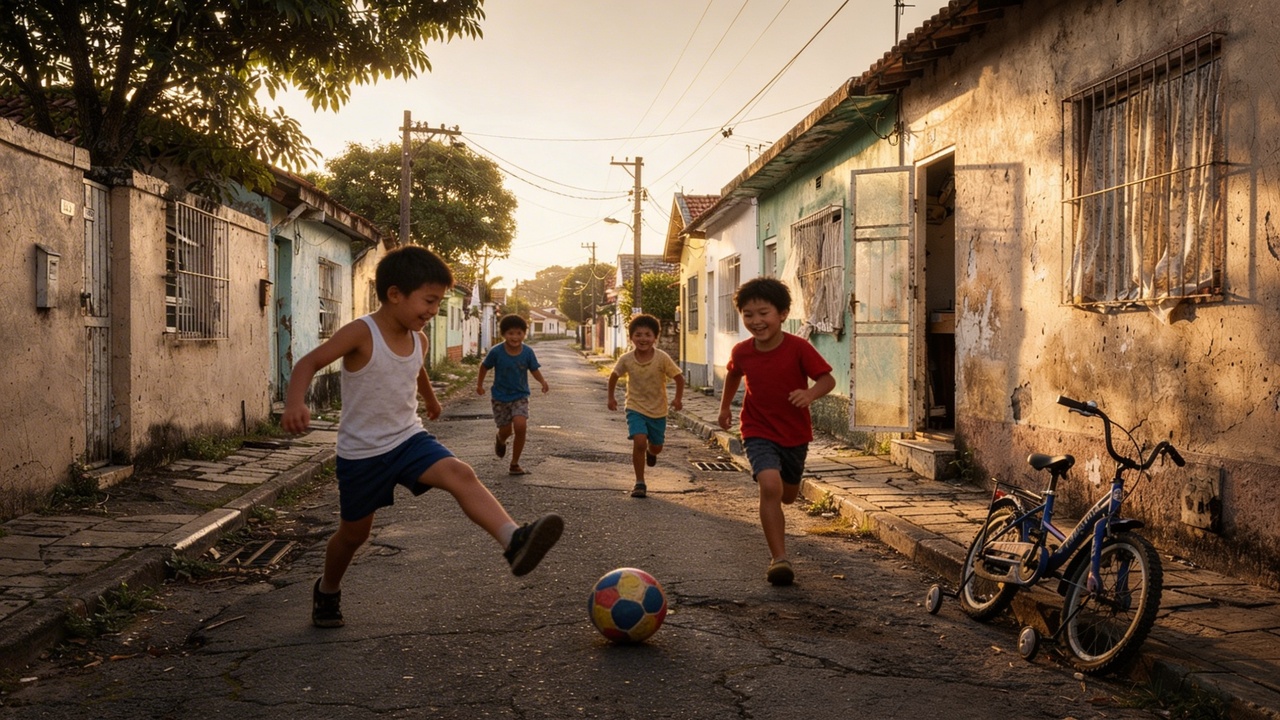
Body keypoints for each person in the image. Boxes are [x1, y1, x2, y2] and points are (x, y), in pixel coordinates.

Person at [282, 246, 563, 628]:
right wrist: (296, 402)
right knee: (353, 535)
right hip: (362, 452)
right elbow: (308, 362)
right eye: (429, 301)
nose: (433, 310)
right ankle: (328, 588)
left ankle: (514, 540)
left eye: (438, 302)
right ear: (395, 294)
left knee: (460, 473)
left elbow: (415, 370)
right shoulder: (361, 332)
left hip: (407, 439)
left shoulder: (420, 339)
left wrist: (430, 398)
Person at [717, 278, 835, 586]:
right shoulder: (742, 351)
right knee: (769, 486)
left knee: (789, 495)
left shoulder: (798, 348)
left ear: (782, 314)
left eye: (763, 313)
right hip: (757, 428)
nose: (756, 321)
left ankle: (786, 492)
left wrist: (809, 394)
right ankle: (779, 559)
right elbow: (733, 375)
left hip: (795, 433)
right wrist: (725, 407)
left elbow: (827, 380)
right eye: (748, 314)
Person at [607, 314, 685, 498]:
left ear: (655, 337)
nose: (643, 339)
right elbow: (614, 376)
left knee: (656, 446)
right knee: (639, 441)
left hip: (658, 410)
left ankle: (652, 452)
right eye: (638, 334)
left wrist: (678, 399)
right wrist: (611, 398)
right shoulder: (626, 359)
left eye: (648, 335)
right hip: (635, 407)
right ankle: (639, 482)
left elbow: (679, 378)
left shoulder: (662, 358)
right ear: (631, 337)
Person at [476, 314, 550, 476]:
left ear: (524, 333)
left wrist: (542, 381)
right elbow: (484, 367)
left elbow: (534, 369)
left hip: (520, 396)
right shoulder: (496, 352)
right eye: (510, 333)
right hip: (500, 397)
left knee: (520, 426)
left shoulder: (528, 352)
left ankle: (515, 463)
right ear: (503, 334)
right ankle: (500, 440)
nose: (515, 337)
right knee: (506, 431)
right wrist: (479, 385)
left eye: (518, 333)